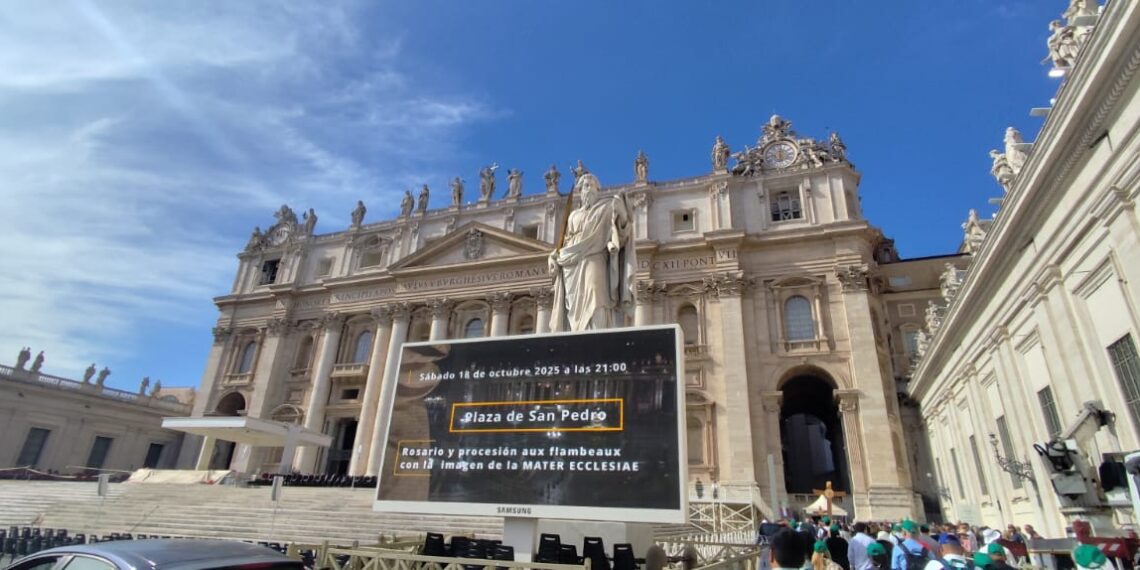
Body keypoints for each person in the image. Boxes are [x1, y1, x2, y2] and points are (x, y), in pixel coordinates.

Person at [548, 173, 635, 331]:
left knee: (596, 295)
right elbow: (566, 242)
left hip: (594, 258)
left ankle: (597, 335)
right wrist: (554, 255)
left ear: (597, 189)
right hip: (571, 265)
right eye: (584, 186)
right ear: (580, 191)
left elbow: (622, 233)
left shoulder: (606, 208)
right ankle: (577, 334)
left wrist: (622, 212)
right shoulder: (573, 215)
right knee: (574, 305)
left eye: (591, 186)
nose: (588, 190)